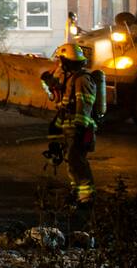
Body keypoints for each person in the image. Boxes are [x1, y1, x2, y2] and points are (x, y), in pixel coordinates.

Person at [41, 43, 97, 204]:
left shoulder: (82, 79)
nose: (58, 64)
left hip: (79, 127)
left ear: (67, 62)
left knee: (77, 161)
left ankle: (86, 197)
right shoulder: (70, 78)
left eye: (60, 61)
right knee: (71, 161)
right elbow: (61, 102)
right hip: (69, 125)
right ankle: (77, 192)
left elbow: (84, 103)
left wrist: (80, 128)